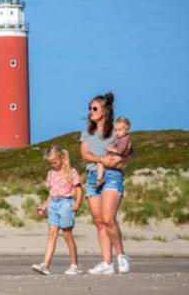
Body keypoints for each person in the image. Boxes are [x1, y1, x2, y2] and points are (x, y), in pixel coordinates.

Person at [80, 92, 133, 275]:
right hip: (93, 177)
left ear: (104, 111)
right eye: (89, 109)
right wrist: (101, 159)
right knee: (100, 222)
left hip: (112, 176)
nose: (91, 112)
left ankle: (121, 256)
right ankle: (106, 262)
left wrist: (121, 161)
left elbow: (129, 151)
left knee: (109, 219)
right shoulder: (88, 132)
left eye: (94, 108)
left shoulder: (115, 131)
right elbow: (85, 155)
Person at [31, 145, 83, 276]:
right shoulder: (51, 173)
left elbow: (79, 189)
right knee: (52, 234)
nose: (52, 165)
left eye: (54, 162)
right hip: (53, 204)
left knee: (67, 234)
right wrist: (44, 206)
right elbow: (51, 193)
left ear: (62, 157)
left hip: (66, 204)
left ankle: (74, 265)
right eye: (50, 163)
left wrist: (77, 202)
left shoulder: (71, 171)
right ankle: (45, 265)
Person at [95, 116, 133, 189]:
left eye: (119, 130)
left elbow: (120, 150)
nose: (117, 132)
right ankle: (120, 174)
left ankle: (99, 179)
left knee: (100, 163)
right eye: (115, 130)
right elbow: (114, 143)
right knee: (104, 163)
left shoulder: (125, 139)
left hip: (116, 157)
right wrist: (110, 147)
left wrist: (110, 149)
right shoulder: (119, 137)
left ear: (127, 130)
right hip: (116, 158)